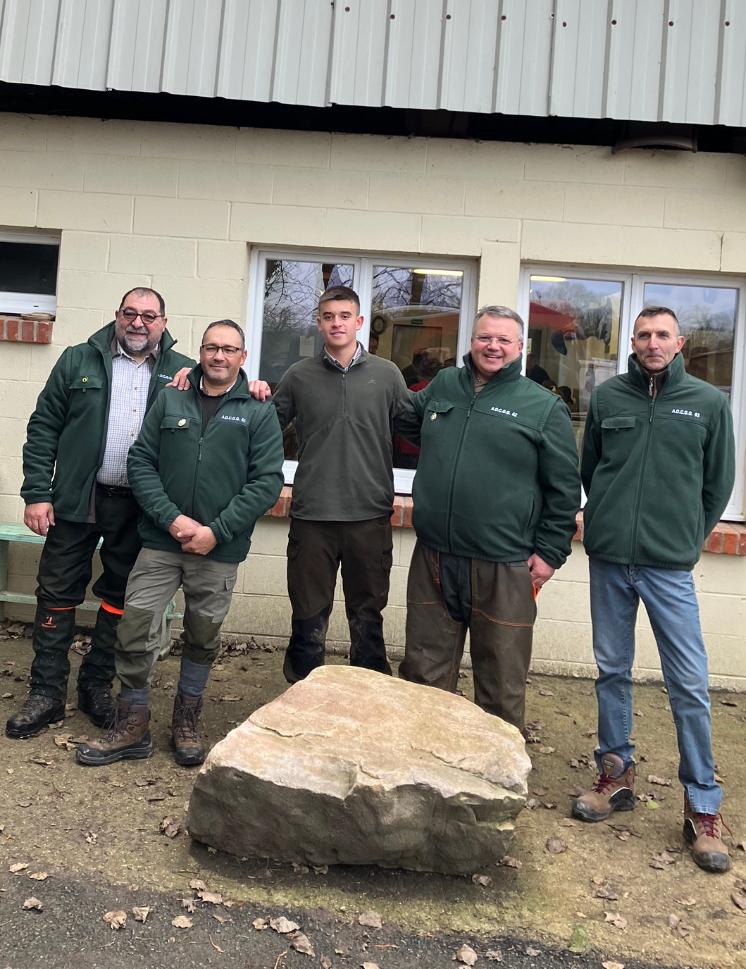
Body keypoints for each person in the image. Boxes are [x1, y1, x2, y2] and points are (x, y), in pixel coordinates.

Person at [571, 306, 736, 874]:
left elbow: (718, 483)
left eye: (662, 334)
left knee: (688, 683)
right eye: (642, 334)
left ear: (679, 342)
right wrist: (611, 521)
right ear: (632, 343)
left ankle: (703, 809)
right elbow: (592, 469)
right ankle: (615, 777)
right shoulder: (610, 399)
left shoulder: (708, 403)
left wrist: (687, 536)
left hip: (669, 566)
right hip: (611, 559)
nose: (651, 342)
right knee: (611, 670)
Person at [76, 320, 284, 767]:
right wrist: (172, 521)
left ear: (242, 358)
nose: (219, 357)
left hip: (219, 549)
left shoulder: (258, 411)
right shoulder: (170, 398)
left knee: (203, 635)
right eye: (211, 348)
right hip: (160, 544)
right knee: (135, 626)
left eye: (229, 349)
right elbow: (140, 462)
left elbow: (266, 482)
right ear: (199, 353)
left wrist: (216, 531)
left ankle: (186, 720)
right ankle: (132, 724)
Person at [6, 288, 194, 740]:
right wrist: (36, 492)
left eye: (149, 316)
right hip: (76, 499)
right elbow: (44, 425)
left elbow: (229, 388)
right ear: (116, 316)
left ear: (163, 323)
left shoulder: (181, 371)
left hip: (141, 507)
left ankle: (95, 687)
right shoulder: (78, 360)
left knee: (121, 595)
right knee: (56, 590)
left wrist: (259, 384)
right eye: (130, 313)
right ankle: (47, 693)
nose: (138, 322)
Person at [397, 306, 580, 730]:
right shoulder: (444, 385)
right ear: (471, 341)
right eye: (484, 338)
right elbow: (408, 420)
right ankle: (424, 770)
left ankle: (495, 784)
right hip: (435, 558)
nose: (492, 346)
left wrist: (550, 553)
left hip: (504, 564)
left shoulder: (542, 407)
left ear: (519, 347)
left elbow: (565, 488)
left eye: (503, 340)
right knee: (423, 677)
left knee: (499, 685)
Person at [250, 285, 411, 683]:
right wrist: (249, 394)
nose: (336, 323)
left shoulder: (387, 375)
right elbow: (266, 429)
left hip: (369, 516)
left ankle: (366, 704)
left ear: (358, 322)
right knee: (307, 620)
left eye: (344, 316)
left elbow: (417, 431)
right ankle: (302, 703)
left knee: (367, 620)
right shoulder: (299, 376)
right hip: (313, 515)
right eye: (328, 316)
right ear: (319, 323)